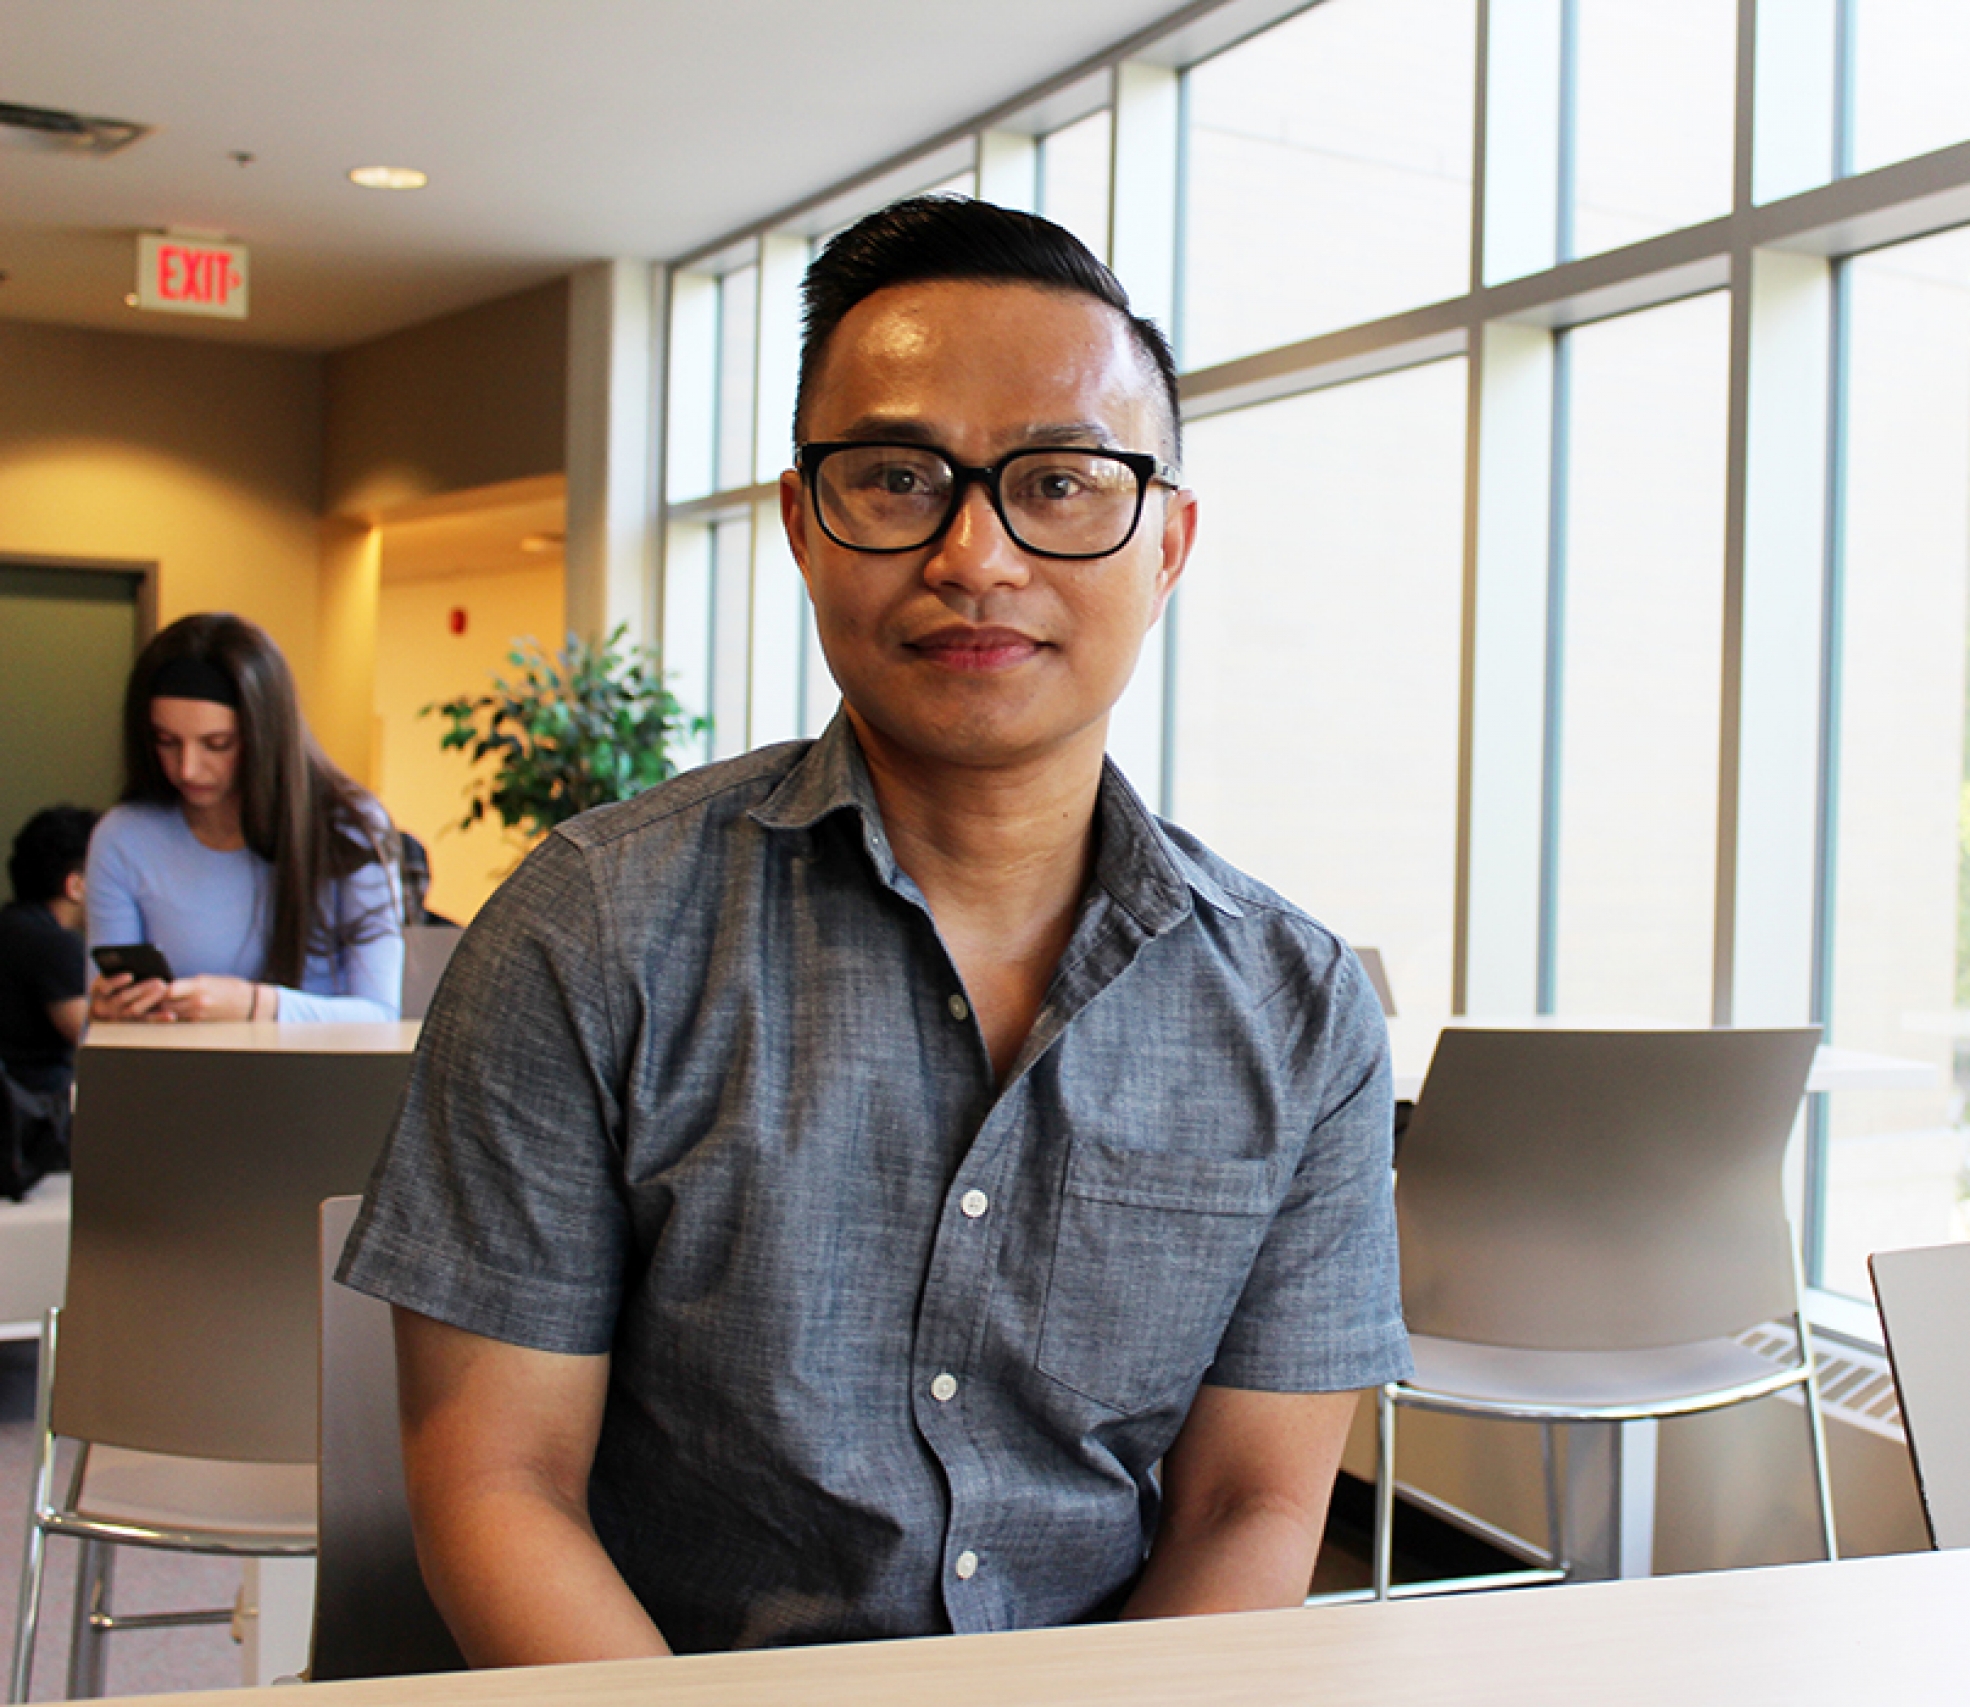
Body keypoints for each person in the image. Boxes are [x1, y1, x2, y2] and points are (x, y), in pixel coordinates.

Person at [340, 196, 1408, 1664]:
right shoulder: (589, 931)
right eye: (900, 477)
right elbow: (497, 1478)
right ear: (801, 523)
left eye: (1063, 480)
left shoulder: (1297, 1008)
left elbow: (1253, 1505)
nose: (976, 554)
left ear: (1167, 543)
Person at [86, 613, 403, 1024]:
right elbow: (96, 1033)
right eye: (166, 742)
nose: (188, 769)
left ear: (265, 737)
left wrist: (257, 1007)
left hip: (315, 1084)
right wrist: (110, 1015)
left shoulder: (348, 828)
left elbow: (381, 1018)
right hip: (175, 1082)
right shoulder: (123, 837)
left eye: (218, 744)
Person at [0, 805, 99, 1099]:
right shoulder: (54, 945)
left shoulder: (12, 924)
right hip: (34, 1115)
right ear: (76, 886)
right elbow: (94, 1041)